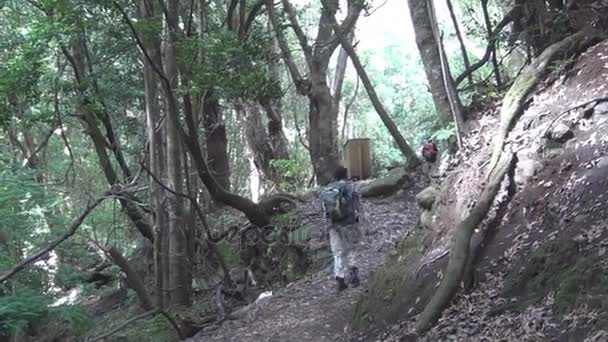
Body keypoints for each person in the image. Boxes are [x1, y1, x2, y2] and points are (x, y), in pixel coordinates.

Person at [319, 166, 363, 292]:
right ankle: (354, 277)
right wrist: (359, 220)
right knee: (351, 248)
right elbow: (355, 206)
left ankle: (340, 280)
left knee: (337, 252)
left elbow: (323, 212)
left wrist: (327, 226)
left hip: (333, 225)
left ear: (334, 176)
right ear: (345, 174)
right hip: (348, 223)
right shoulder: (348, 187)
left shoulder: (326, 190)